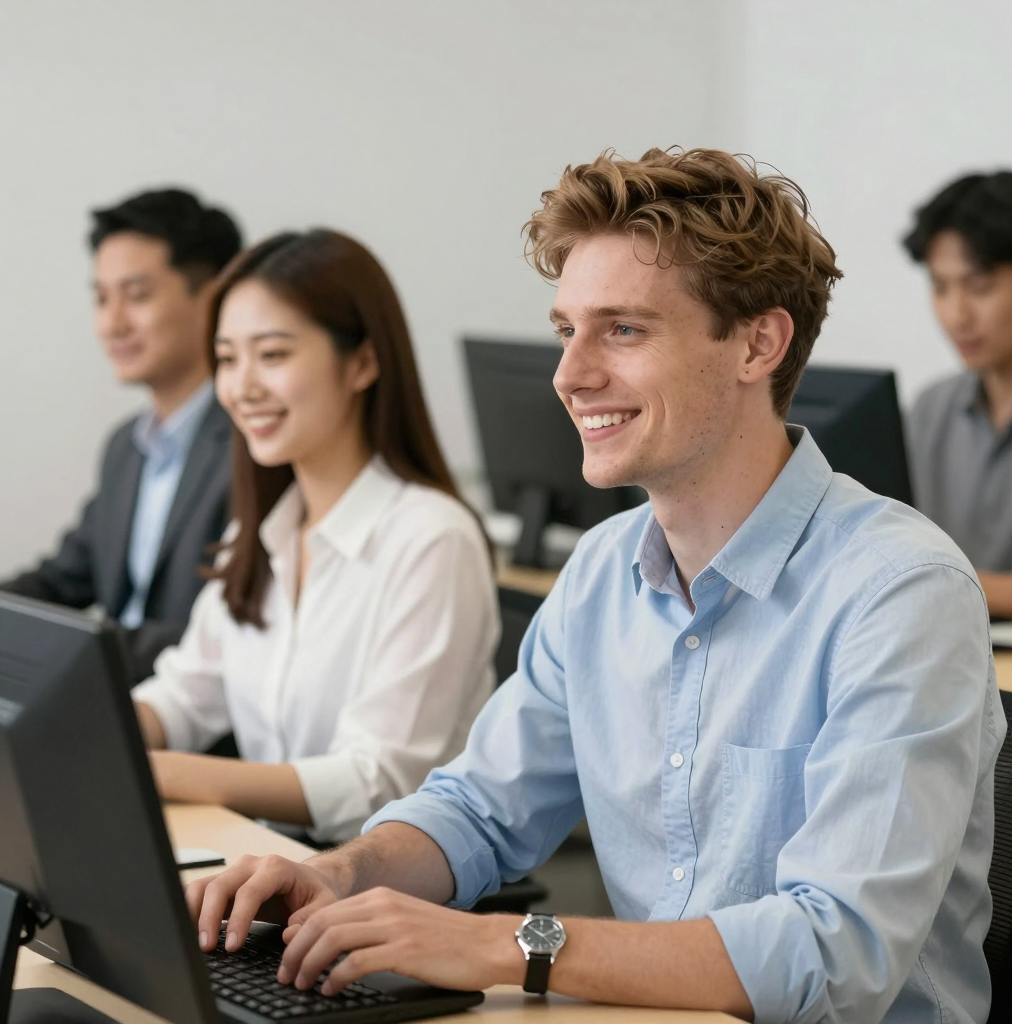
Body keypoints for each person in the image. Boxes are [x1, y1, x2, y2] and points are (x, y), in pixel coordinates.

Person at [187, 149, 1005, 1023]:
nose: (570, 374)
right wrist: (333, 875)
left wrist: (511, 945)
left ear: (758, 343)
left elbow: (834, 954)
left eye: (623, 329)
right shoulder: (601, 572)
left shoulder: (900, 592)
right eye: (565, 330)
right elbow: (481, 810)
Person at [131, 229, 499, 844]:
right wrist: (84, 737)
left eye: (272, 355)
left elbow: (375, 780)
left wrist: (161, 774)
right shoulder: (263, 529)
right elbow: (183, 695)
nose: (242, 387)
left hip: (384, 895)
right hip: (270, 862)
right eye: (226, 359)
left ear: (362, 362)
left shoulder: (432, 539)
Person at [0, 188, 242, 681]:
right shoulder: (127, 447)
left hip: (197, 731)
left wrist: (77, 653)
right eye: (102, 298)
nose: (112, 323)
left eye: (137, 295)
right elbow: (62, 579)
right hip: (108, 707)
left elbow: (235, 638)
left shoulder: (254, 442)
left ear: (212, 298)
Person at [902, 171, 1012, 617]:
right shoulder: (932, 411)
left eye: (979, 286)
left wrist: (944, 579)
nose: (956, 315)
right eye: (940, 287)